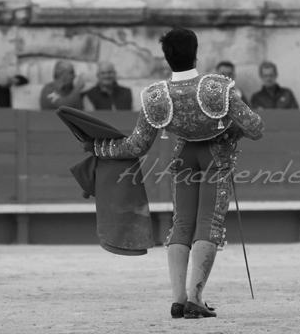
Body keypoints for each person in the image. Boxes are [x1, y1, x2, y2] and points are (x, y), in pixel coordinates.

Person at [80, 27, 264, 319]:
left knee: (181, 224)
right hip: (215, 156)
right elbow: (255, 127)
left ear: (166, 57)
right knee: (208, 223)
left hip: (184, 158)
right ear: (196, 52)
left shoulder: (155, 96)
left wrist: (100, 148)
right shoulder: (217, 88)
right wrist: (231, 131)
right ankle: (195, 298)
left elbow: (137, 145)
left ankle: (178, 299)